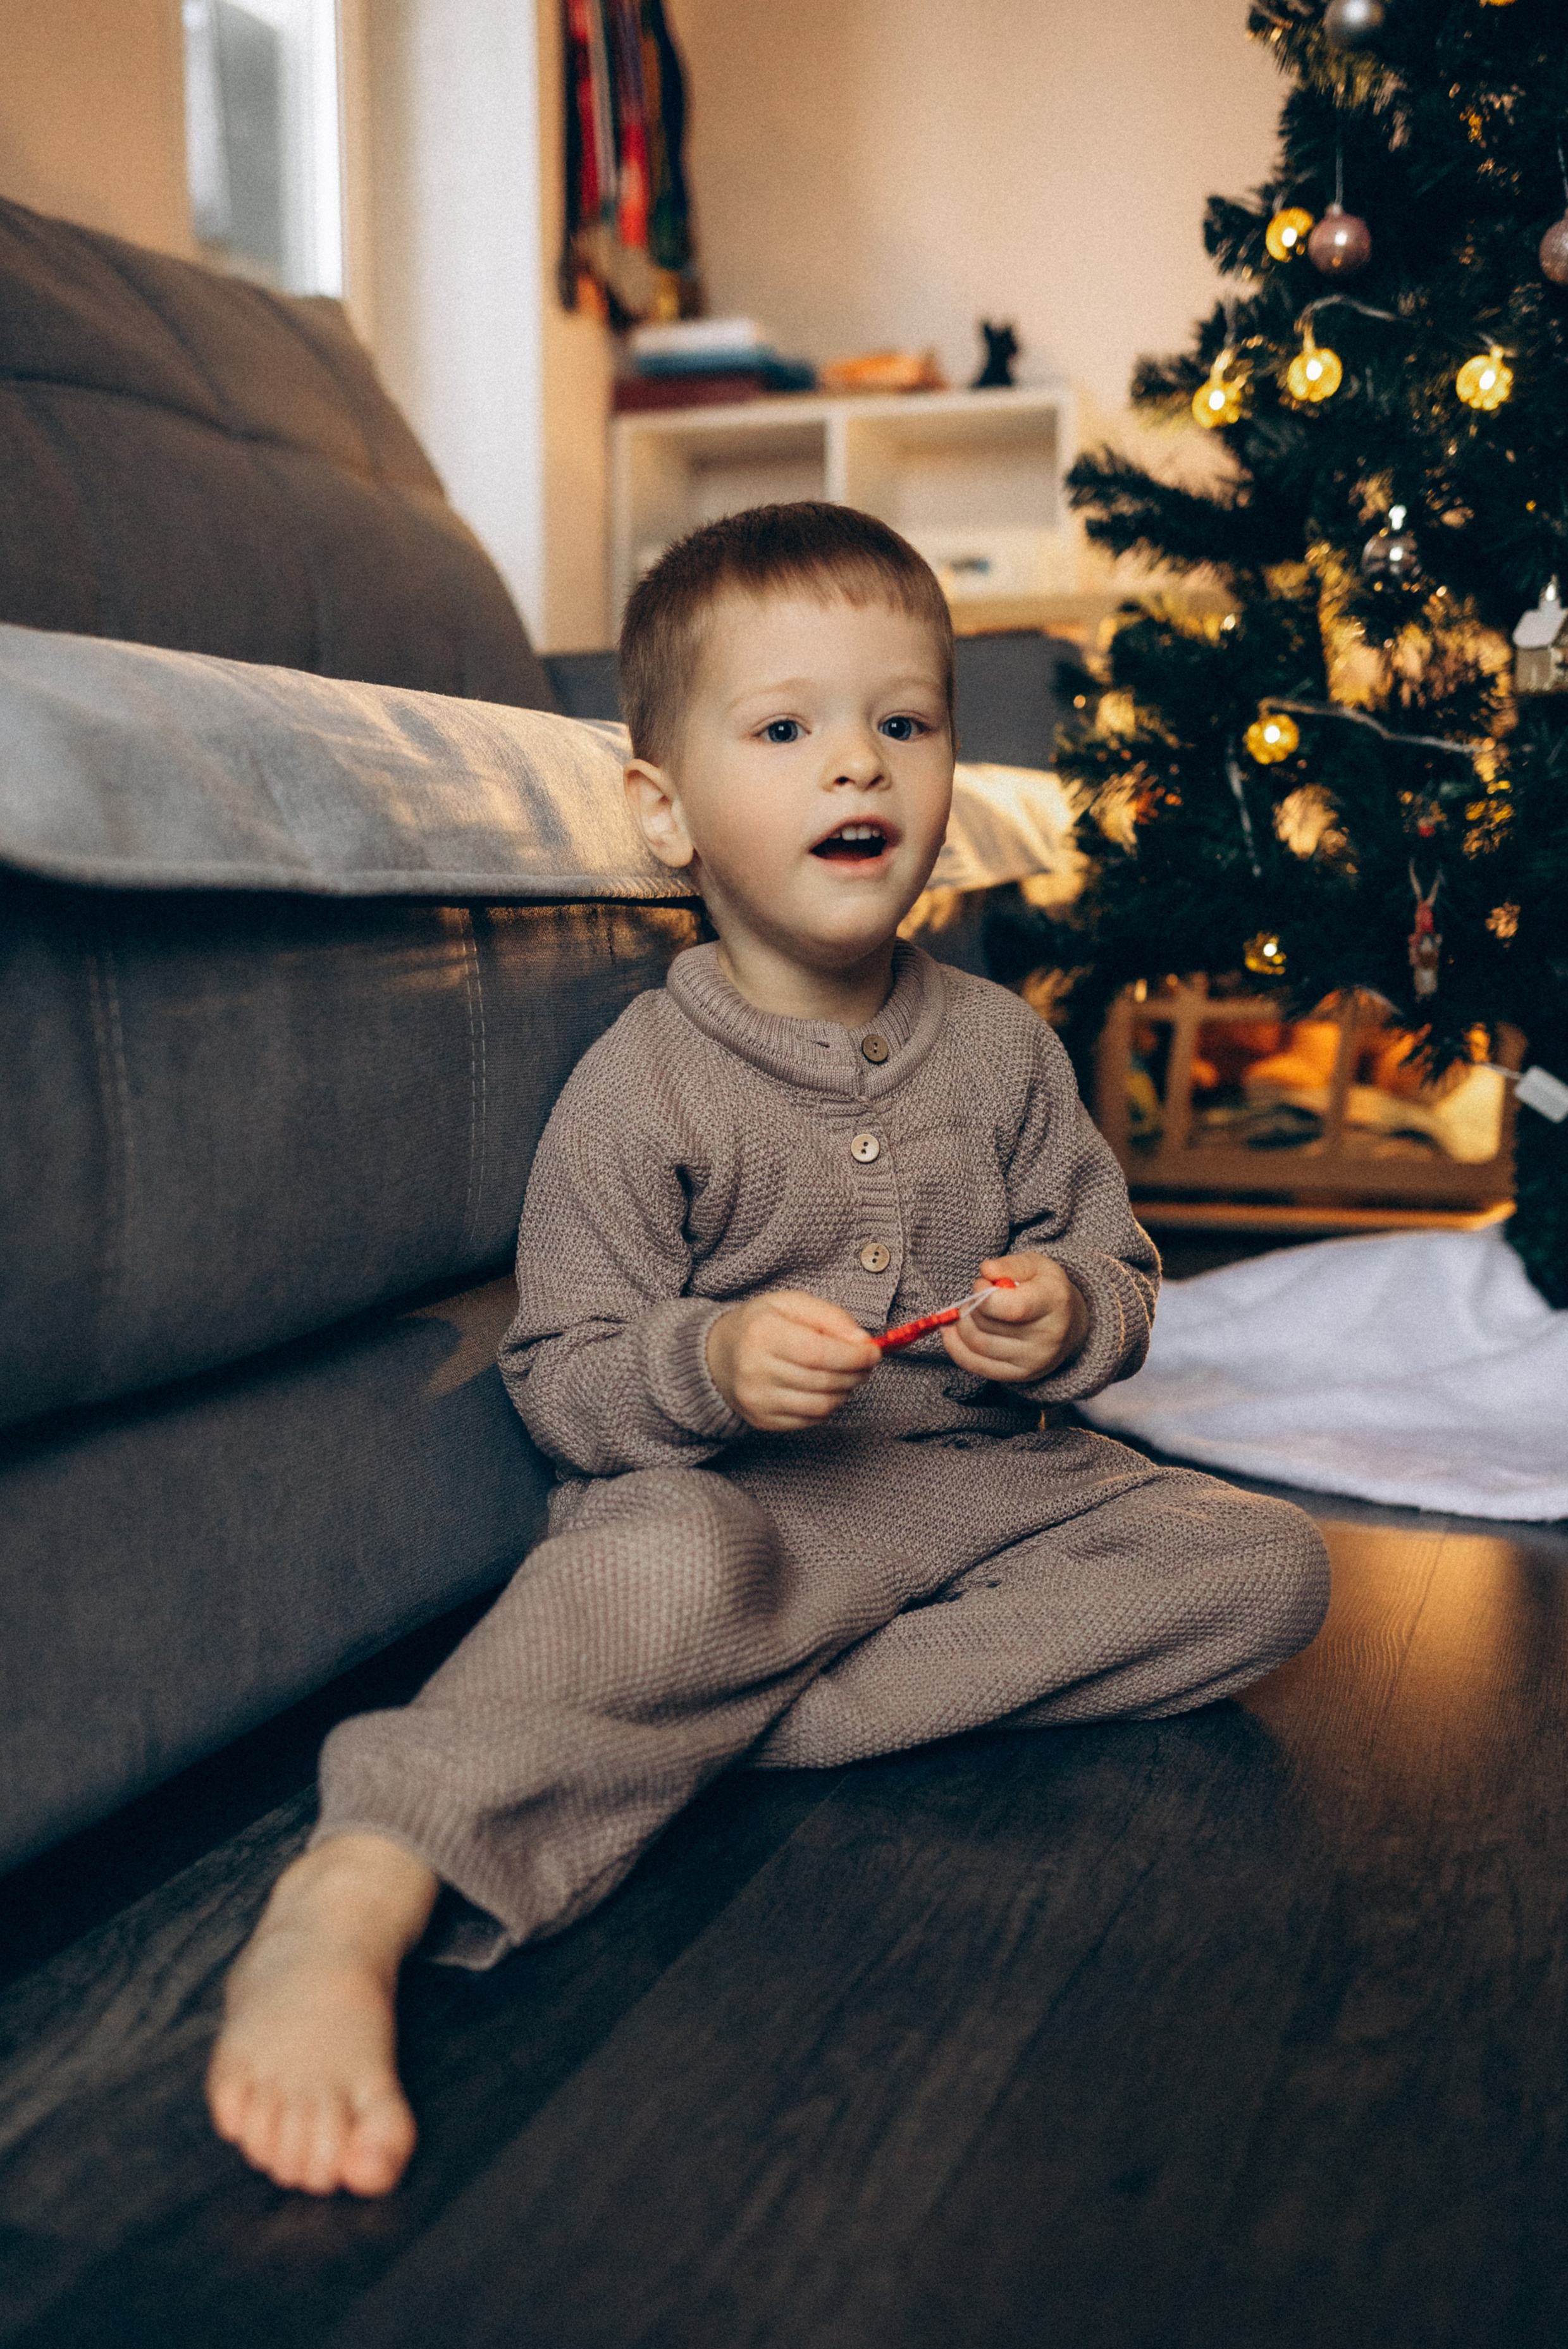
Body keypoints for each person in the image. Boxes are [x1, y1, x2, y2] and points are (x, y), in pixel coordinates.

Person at [207, 503, 1330, 2198]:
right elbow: (565, 1369)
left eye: (905, 722)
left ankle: (707, 1730)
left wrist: (1068, 1314)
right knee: (648, 1571)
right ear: (667, 810)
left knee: (1266, 1572)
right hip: (743, 1516)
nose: (858, 769)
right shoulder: (644, 1081)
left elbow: (1114, 1259)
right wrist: (711, 1365)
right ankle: (357, 1883)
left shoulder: (1007, 1051)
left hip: (989, 1501)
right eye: (789, 728)